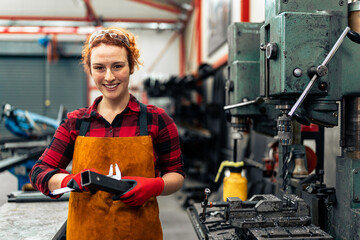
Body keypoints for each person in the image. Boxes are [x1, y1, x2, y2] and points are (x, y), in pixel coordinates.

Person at [29, 26, 185, 240]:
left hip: (140, 233)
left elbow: (176, 175)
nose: (109, 77)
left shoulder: (157, 120)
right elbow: (39, 172)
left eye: (118, 66)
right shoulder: (76, 122)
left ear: (131, 66)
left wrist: (155, 185)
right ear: (90, 70)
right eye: (100, 68)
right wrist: (70, 181)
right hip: (86, 234)